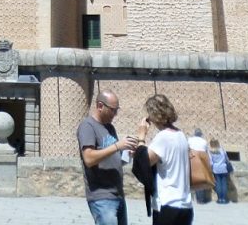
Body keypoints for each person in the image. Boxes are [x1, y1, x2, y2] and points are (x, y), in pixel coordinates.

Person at [77, 88, 138, 225]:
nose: (115, 114)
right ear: (100, 106)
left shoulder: (110, 128)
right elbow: (89, 159)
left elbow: (114, 159)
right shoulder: (87, 126)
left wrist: (128, 153)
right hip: (101, 197)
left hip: (118, 194)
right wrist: (117, 146)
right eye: (112, 110)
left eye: (117, 110)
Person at [137, 94, 193, 225]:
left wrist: (141, 136)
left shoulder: (163, 137)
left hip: (168, 205)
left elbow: (143, 163)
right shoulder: (181, 135)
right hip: (185, 206)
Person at [187, 128, 211, 204]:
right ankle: (200, 199)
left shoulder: (190, 140)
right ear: (201, 134)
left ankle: (192, 198)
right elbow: (207, 152)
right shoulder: (204, 141)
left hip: (192, 159)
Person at [208, 138, 230, 204]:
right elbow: (226, 159)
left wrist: (211, 169)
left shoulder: (211, 151)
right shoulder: (222, 150)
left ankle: (219, 199)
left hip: (216, 169)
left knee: (218, 184)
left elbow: (211, 162)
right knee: (224, 184)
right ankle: (224, 199)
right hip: (223, 168)